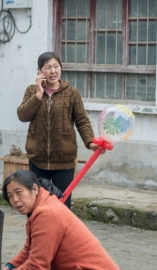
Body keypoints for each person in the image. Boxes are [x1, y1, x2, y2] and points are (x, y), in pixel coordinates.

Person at [17, 51, 100, 207]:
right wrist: (38, 95)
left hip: (64, 161)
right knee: (37, 206)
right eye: (48, 67)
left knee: (62, 206)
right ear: (40, 71)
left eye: (56, 66)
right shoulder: (31, 91)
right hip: (37, 160)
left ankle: (60, 232)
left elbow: (82, 121)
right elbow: (22, 115)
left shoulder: (72, 93)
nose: (53, 71)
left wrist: (90, 142)